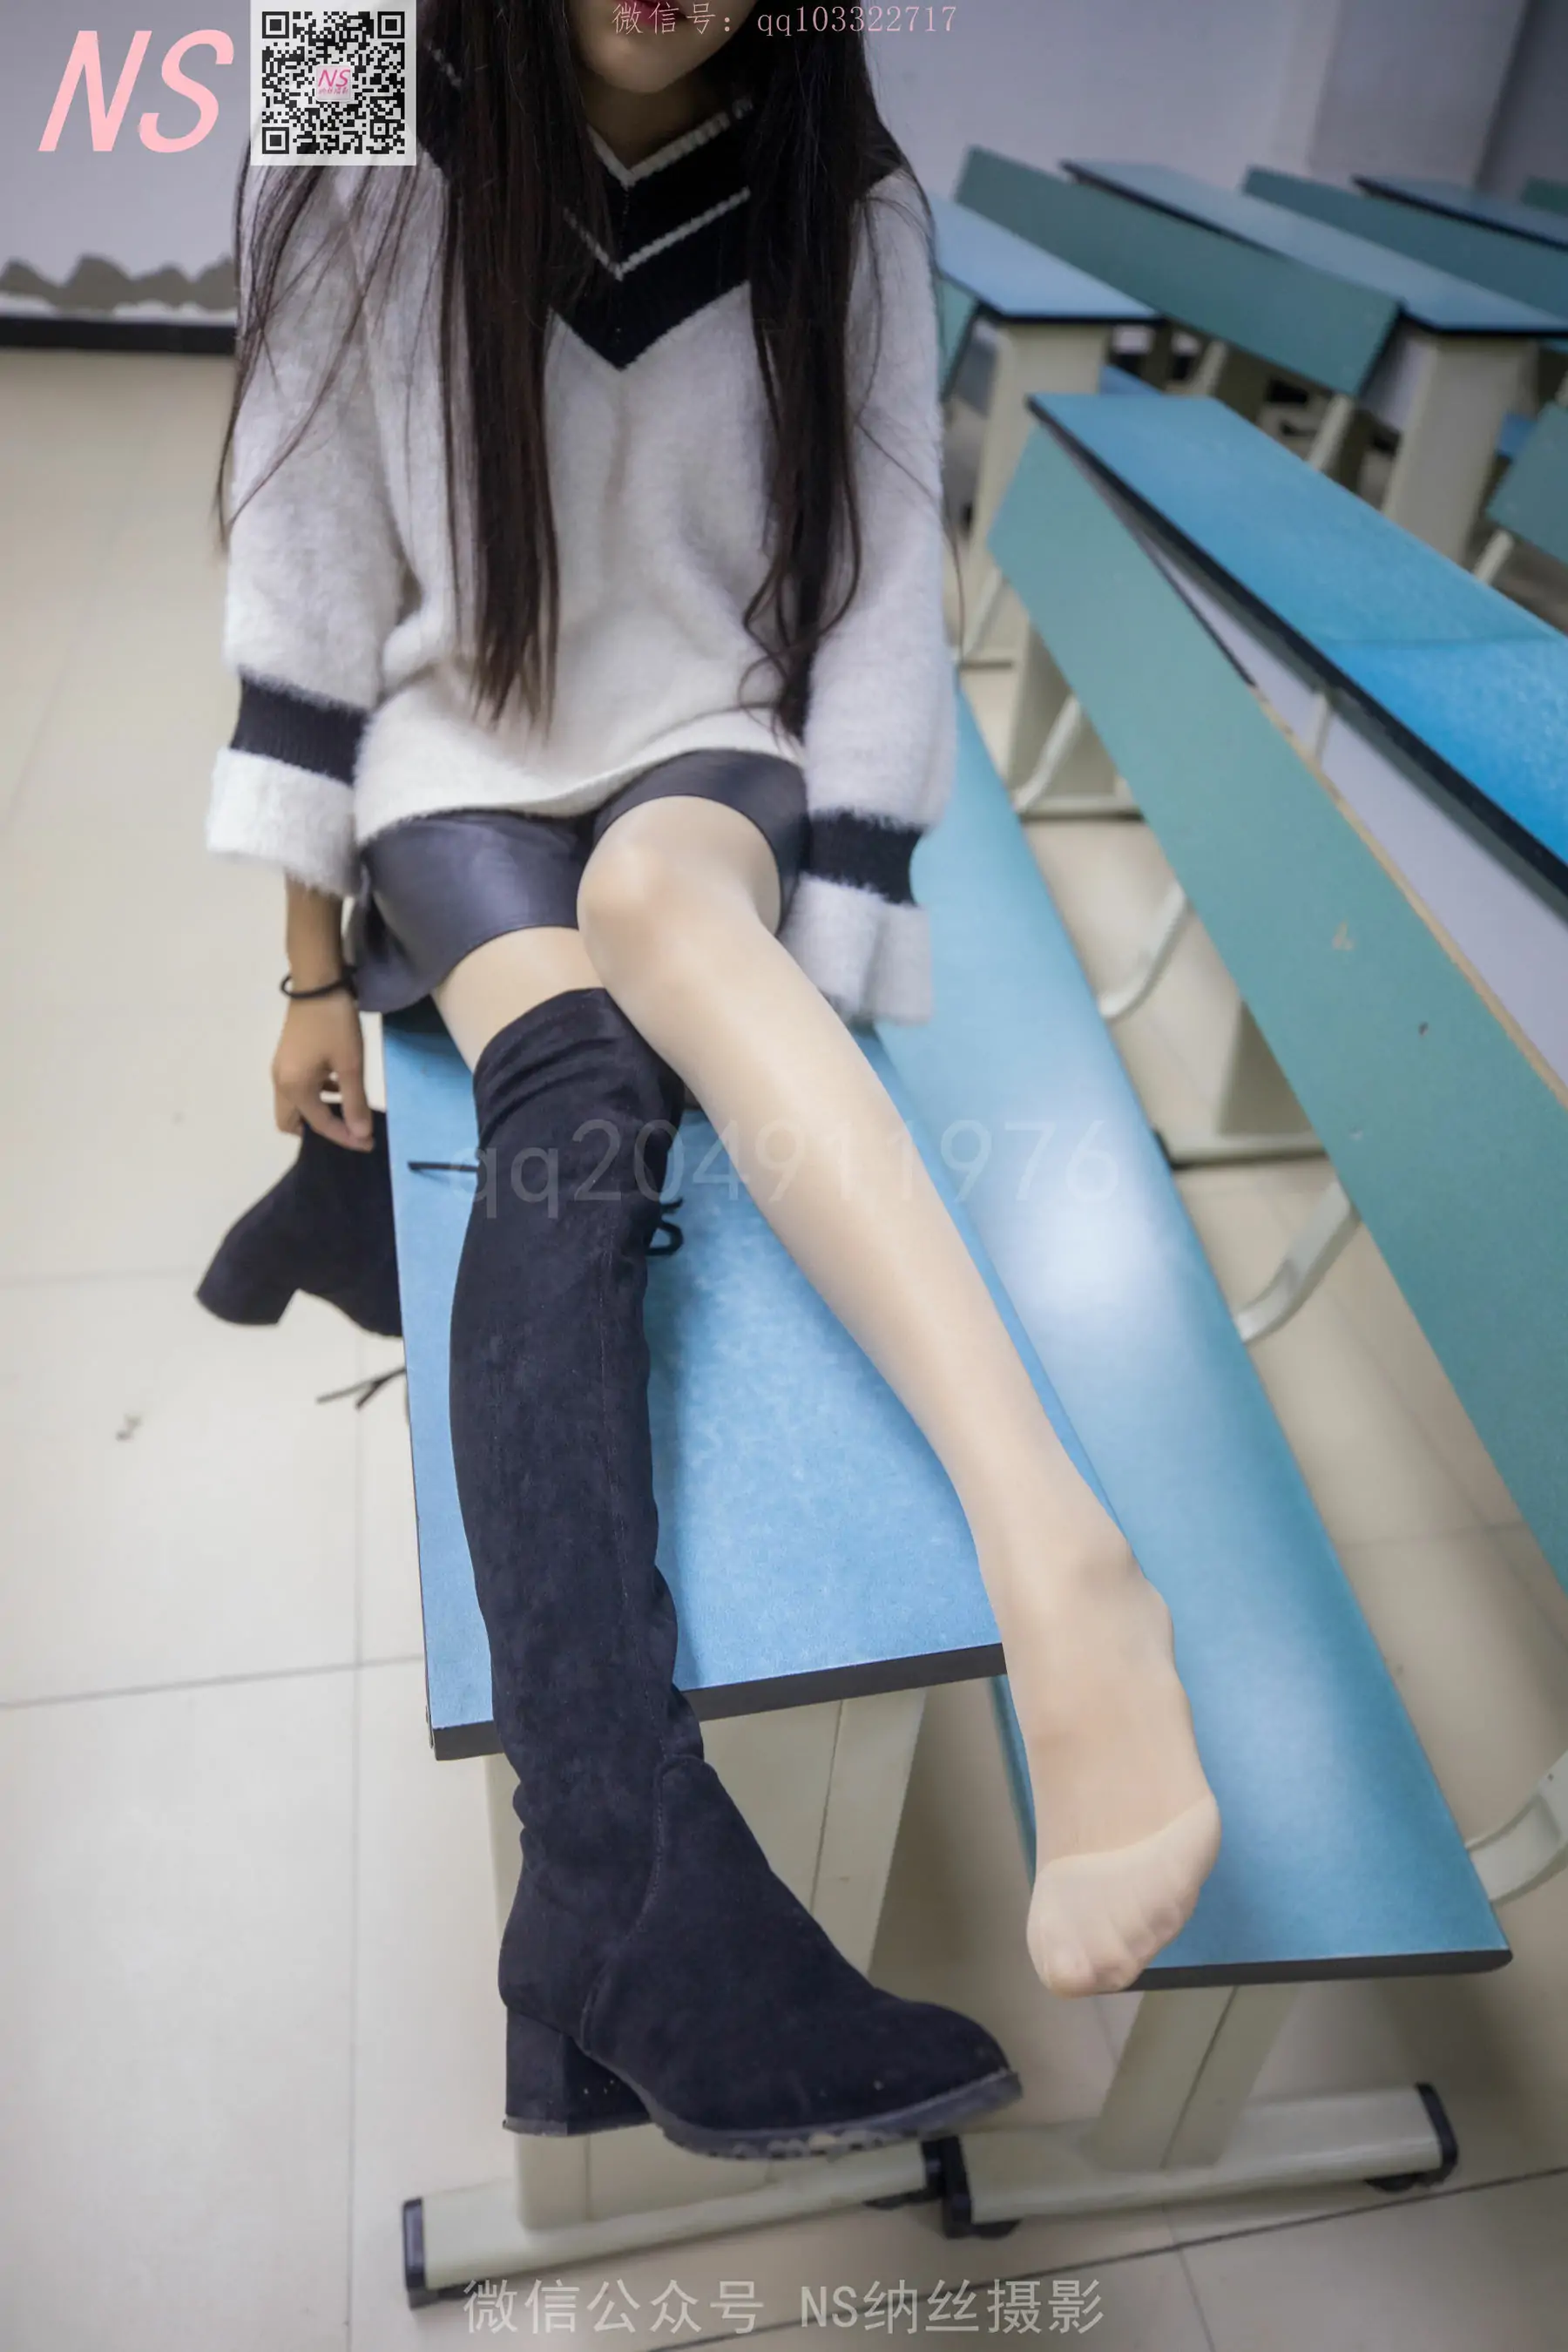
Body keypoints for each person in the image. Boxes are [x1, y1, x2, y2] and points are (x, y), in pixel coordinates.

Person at [202, 0, 1220, 2159]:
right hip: (455, 758)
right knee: (575, 1107)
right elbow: (295, 546)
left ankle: (1053, 1562)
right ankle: (625, 1873)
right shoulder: (346, 77)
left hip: (704, 750)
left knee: (665, 907)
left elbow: (876, 602)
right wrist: (306, 970)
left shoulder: (842, 187)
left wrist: (810, 966)